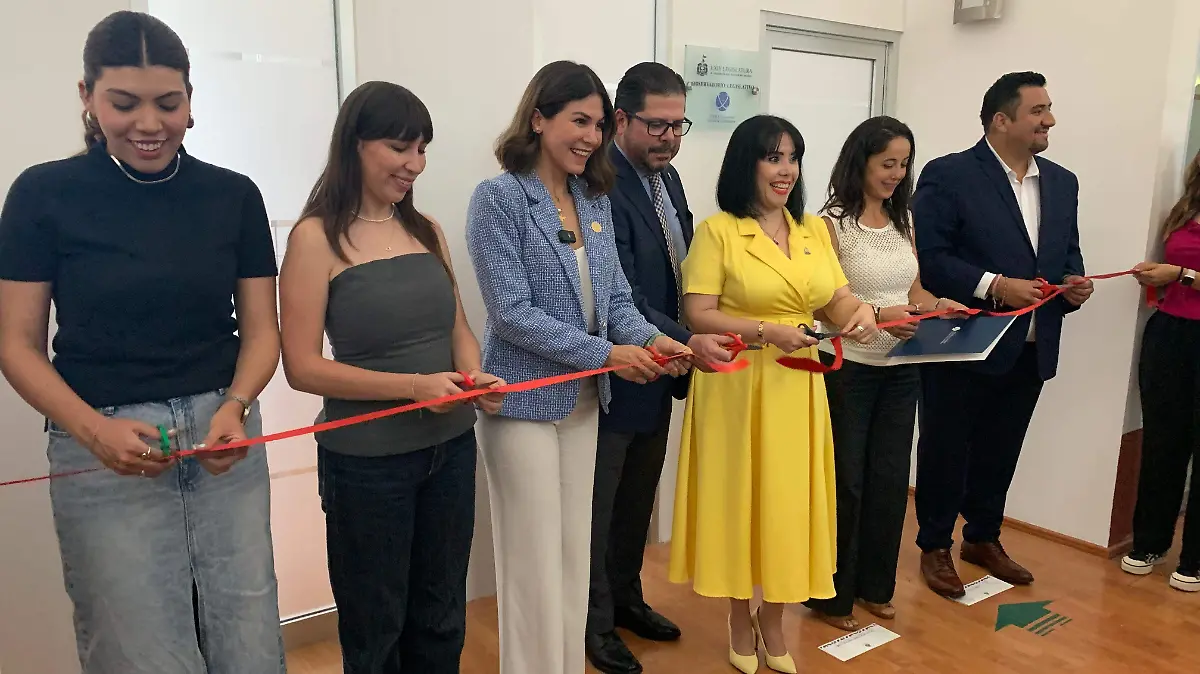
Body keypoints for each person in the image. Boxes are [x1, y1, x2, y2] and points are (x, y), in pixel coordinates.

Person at [0, 11, 284, 673]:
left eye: (168, 103)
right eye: (124, 104)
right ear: (87, 98)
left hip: (223, 439)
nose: (149, 123)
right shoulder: (43, 195)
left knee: (249, 644)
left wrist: (236, 405)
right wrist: (95, 431)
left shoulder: (233, 196)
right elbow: (16, 345)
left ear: (191, 99)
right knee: (138, 652)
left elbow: (261, 333)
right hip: (101, 446)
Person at [465, 60, 692, 674]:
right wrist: (608, 355)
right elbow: (512, 314)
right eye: (579, 121)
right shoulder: (499, 198)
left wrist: (658, 342)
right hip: (523, 406)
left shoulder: (592, 198)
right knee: (533, 564)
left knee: (572, 558)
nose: (591, 137)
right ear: (539, 119)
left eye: (597, 125)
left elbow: (615, 302)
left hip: (587, 403)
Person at [279, 81, 504, 673]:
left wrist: (474, 375)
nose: (415, 164)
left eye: (422, 149)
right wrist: (413, 388)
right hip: (367, 466)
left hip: (449, 450)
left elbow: (457, 328)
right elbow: (302, 367)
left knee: (441, 616)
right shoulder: (314, 238)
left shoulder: (426, 228)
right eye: (400, 147)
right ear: (355, 144)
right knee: (376, 627)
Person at [669, 114, 879, 674]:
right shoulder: (718, 232)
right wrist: (766, 330)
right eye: (773, 157)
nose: (786, 170)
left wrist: (860, 313)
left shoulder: (811, 229)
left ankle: (776, 619)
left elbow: (834, 299)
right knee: (741, 500)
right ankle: (740, 617)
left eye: (793, 158)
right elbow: (698, 313)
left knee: (789, 503)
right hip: (737, 384)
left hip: (797, 385)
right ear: (747, 165)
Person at [912, 71, 1093, 598]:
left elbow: (1067, 253)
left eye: (1048, 109)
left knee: (1001, 449)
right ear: (1000, 120)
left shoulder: (1062, 182)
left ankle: (982, 537)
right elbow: (933, 259)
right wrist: (995, 286)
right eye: (1038, 110)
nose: (1049, 120)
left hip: (1033, 343)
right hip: (964, 341)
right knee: (946, 448)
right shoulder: (948, 174)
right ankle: (935, 545)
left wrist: (1074, 284)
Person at [587, 62, 733, 674]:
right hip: (622, 369)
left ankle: (627, 599)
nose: (670, 138)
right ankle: (595, 625)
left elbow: (681, 268)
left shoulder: (666, 178)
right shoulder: (599, 182)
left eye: (679, 126)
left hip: (665, 367)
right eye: (657, 125)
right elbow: (622, 293)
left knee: (637, 502)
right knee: (600, 510)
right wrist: (687, 341)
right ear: (621, 120)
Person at [803, 116, 967, 631]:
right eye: (887, 163)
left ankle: (875, 588)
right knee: (847, 483)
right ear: (860, 163)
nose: (896, 174)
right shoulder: (828, 224)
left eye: (903, 164)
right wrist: (878, 315)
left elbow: (913, 292)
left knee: (891, 481)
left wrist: (938, 306)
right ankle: (831, 598)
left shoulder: (904, 220)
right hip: (847, 369)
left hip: (900, 367)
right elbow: (822, 304)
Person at [1122, 149, 1200, 593]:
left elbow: (1183, 272)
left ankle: (1195, 559)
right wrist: (1156, 276)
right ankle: (1150, 543)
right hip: (1170, 334)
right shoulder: (1184, 209)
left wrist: (1181, 274)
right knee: (1162, 442)